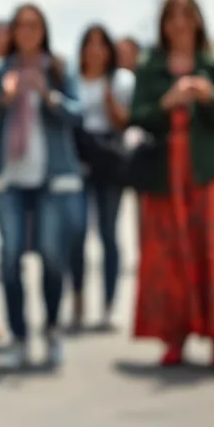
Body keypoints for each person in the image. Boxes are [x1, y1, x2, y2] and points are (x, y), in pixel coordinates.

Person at [130, 0, 214, 368]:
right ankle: (174, 334)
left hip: (206, 169)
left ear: (198, 20)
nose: (180, 23)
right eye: (173, 16)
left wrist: (207, 94)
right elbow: (139, 114)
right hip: (166, 172)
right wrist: (167, 101)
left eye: (187, 14)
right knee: (168, 256)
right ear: (163, 23)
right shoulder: (151, 64)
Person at [0, 4, 84, 368]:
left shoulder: (58, 68)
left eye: (35, 26)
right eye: (21, 26)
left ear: (44, 30)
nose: (28, 33)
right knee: (10, 258)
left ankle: (52, 328)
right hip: (9, 180)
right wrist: (4, 98)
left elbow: (76, 115)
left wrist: (48, 94)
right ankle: (19, 337)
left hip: (52, 179)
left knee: (52, 256)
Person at [70, 24, 134, 330]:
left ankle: (110, 303)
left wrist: (110, 98)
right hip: (80, 162)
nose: (95, 50)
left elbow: (125, 121)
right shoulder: (72, 79)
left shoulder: (122, 80)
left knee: (109, 233)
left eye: (101, 44)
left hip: (109, 161)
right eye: (89, 44)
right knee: (77, 232)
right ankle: (79, 299)